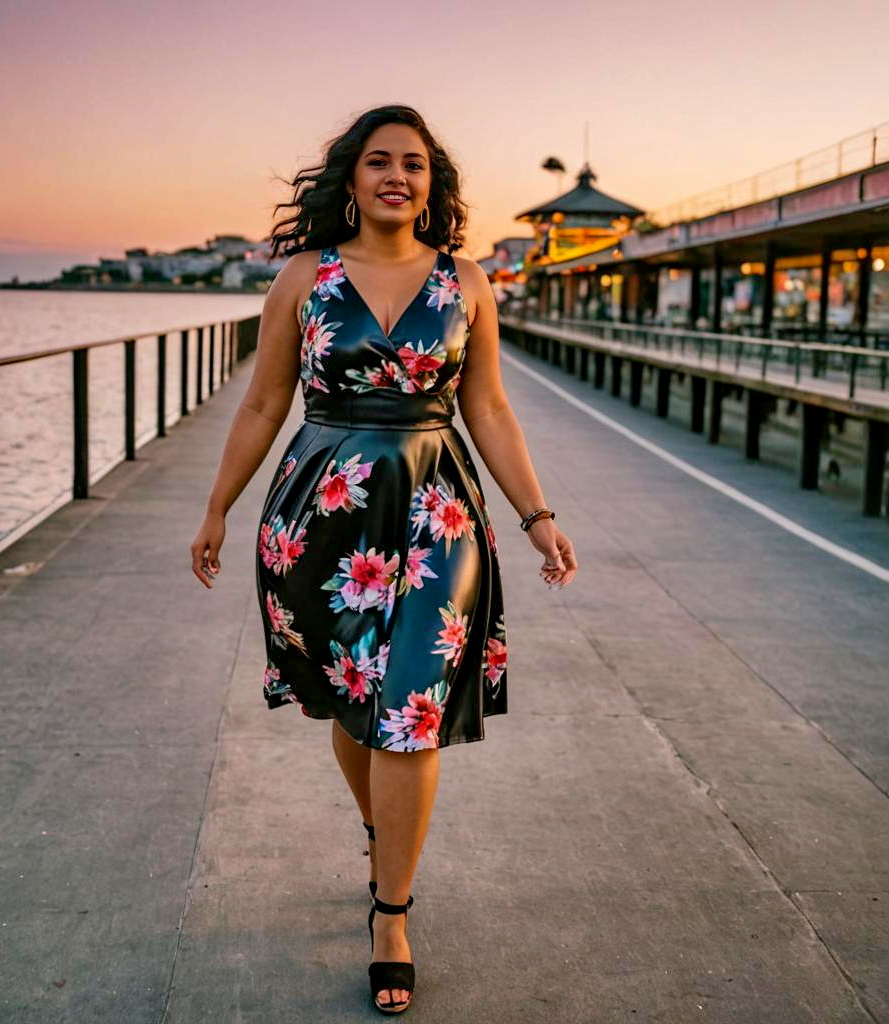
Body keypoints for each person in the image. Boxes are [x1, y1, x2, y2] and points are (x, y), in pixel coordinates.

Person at [189, 104, 578, 1015]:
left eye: (414, 163)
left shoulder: (468, 282)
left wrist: (537, 515)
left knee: (410, 709)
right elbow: (260, 406)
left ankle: (390, 912)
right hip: (321, 515)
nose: (396, 175)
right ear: (351, 179)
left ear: (433, 183)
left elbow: (488, 410)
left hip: (439, 507)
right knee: (352, 701)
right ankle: (383, 834)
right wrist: (216, 507)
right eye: (378, 161)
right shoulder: (304, 277)